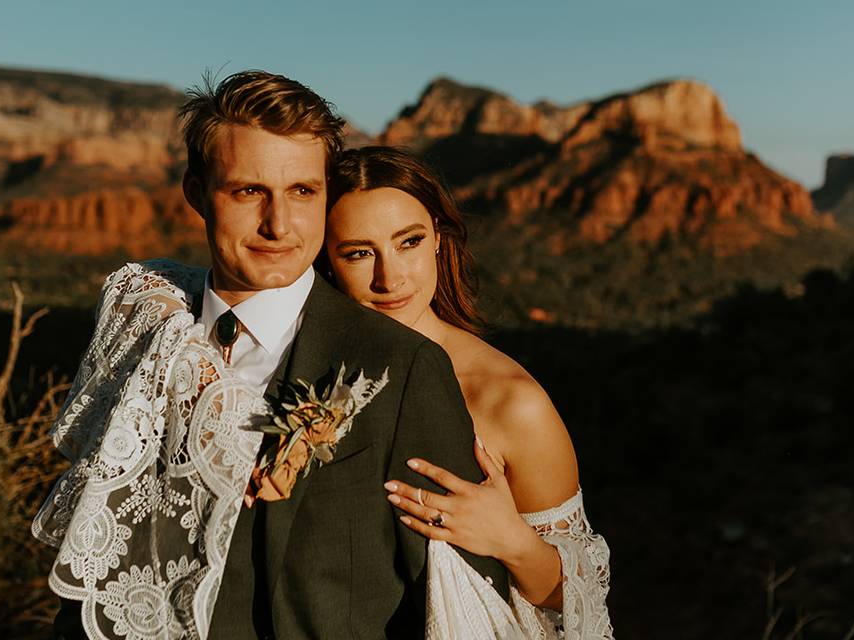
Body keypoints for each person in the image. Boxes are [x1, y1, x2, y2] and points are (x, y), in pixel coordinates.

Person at [32, 72, 507, 639]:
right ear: (195, 193)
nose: (278, 224)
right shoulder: (141, 331)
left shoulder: (401, 369)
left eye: (303, 192)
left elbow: (463, 603)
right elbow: (96, 553)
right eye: (248, 191)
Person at [323, 146, 614, 639]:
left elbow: (577, 600)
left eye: (408, 242)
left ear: (437, 237)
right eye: (359, 252)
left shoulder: (510, 401)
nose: (389, 277)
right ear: (326, 260)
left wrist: (513, 541)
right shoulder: (310, 371)